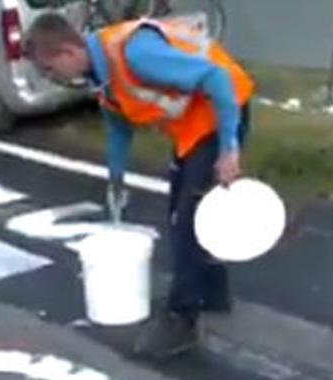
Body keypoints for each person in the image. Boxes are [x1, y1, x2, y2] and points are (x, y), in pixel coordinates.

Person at [24, 12, 254, 358]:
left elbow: (216, 78)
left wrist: (229, 149)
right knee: (184, 205)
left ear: (68, 51)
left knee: (187, 222)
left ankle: (183, 318)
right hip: (191, 127)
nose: (50, 79)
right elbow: (118, 127)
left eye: (49, 70)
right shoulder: (99, 74)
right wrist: (116, 181)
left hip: (222, 111)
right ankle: (211, 292)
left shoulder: (134, 53)